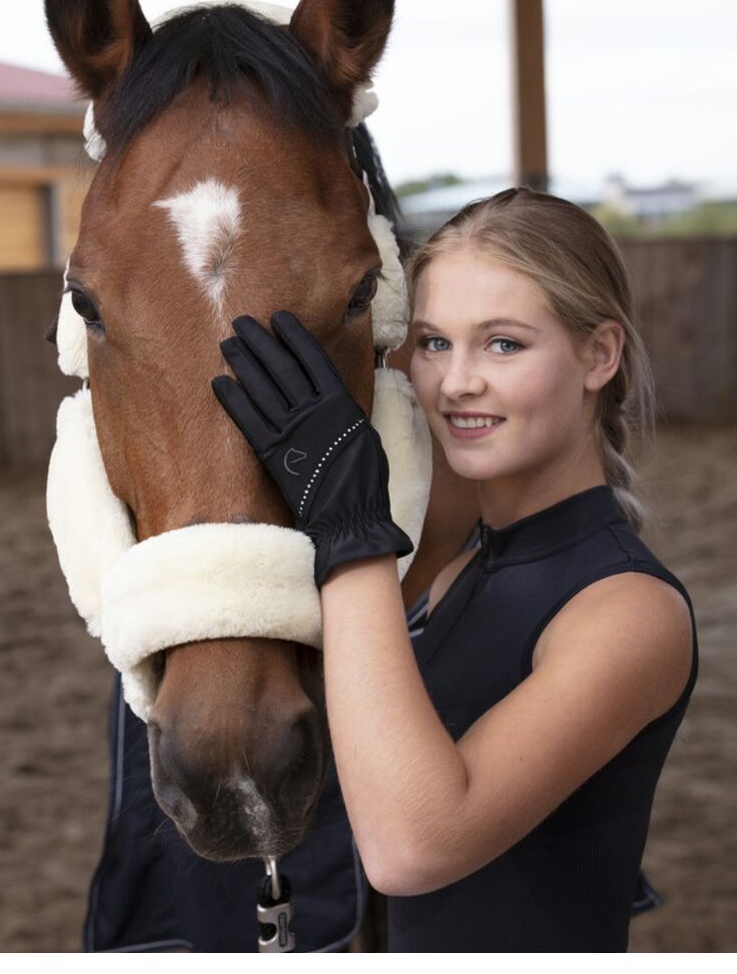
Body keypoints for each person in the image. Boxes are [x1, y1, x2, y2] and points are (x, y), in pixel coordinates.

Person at [212, 187, 698, 952]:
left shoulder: (628, 609)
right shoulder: (458, 566)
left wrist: (350, 528)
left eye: (503, 343)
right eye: (435, 343)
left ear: (599, 355)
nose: (456, 381)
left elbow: (412, 850)